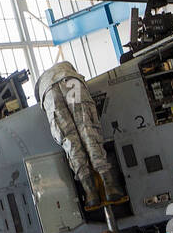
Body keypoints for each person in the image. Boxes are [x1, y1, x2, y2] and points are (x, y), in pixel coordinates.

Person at [35, 61, 127, 210]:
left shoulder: (42, 84)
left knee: (69, 140)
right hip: (68, 78)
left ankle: (90, 192)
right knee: (87, 128)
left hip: (47, 93)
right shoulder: (64, 66)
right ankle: (110, 186)